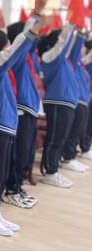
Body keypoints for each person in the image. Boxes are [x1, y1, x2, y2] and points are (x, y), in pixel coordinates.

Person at [0, 14, 43, 237]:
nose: (8, 51)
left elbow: (14, 54)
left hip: (5, 125)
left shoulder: (0, 68)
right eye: (4, 47)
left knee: (2, 171)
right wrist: (31, 29)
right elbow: (12, 53)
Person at [2, 0, 48, 209]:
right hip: (20, 109)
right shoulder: (16, 57)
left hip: (29, 109)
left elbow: (28, 41)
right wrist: (36, 15)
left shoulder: (29, 56)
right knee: (19, 152)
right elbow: (25, 40)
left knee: (27, 152)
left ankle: (18, 186)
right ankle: (11, 189)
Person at [38, 23, 79, 188]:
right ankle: (50, 172)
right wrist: (71, 26)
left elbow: (71, 49)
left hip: (65, 103)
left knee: (60, 138)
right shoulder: (49, 57)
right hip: (56, 102)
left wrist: (80, 32)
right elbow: (63, 44)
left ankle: (53, 168)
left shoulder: (65, 61)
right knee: (55, 138)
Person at [61, 29, 90, 173]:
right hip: (77, 101)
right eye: (82, 46)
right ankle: (68, 156)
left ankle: (71, 156)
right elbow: (76, 47)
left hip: (84, 101)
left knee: (78, 130)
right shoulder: (72, 61)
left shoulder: (80, 64)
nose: (83, 49)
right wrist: (80, 34)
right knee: (73, 132)